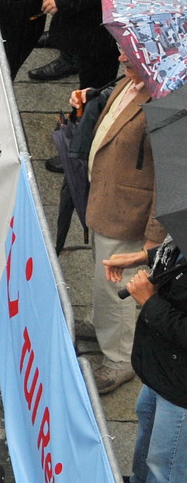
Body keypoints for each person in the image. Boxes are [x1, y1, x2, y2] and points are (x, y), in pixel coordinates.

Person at [66, 58, 167, 395]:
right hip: (105, 200)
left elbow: (169, 180)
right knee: (101, 274)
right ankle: (100, 324)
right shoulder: (130, 80)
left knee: (116, 287)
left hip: (129, 214)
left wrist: (154, 237)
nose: (122, 56)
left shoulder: (165, 102)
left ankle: (119, 359)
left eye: (130, 53)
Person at [118, 238, 187, 483]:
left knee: (167, 458)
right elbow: (175, 248)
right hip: (162, 364)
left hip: (181, 384)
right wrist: (144, 255)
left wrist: (150, 301)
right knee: (146, 418)